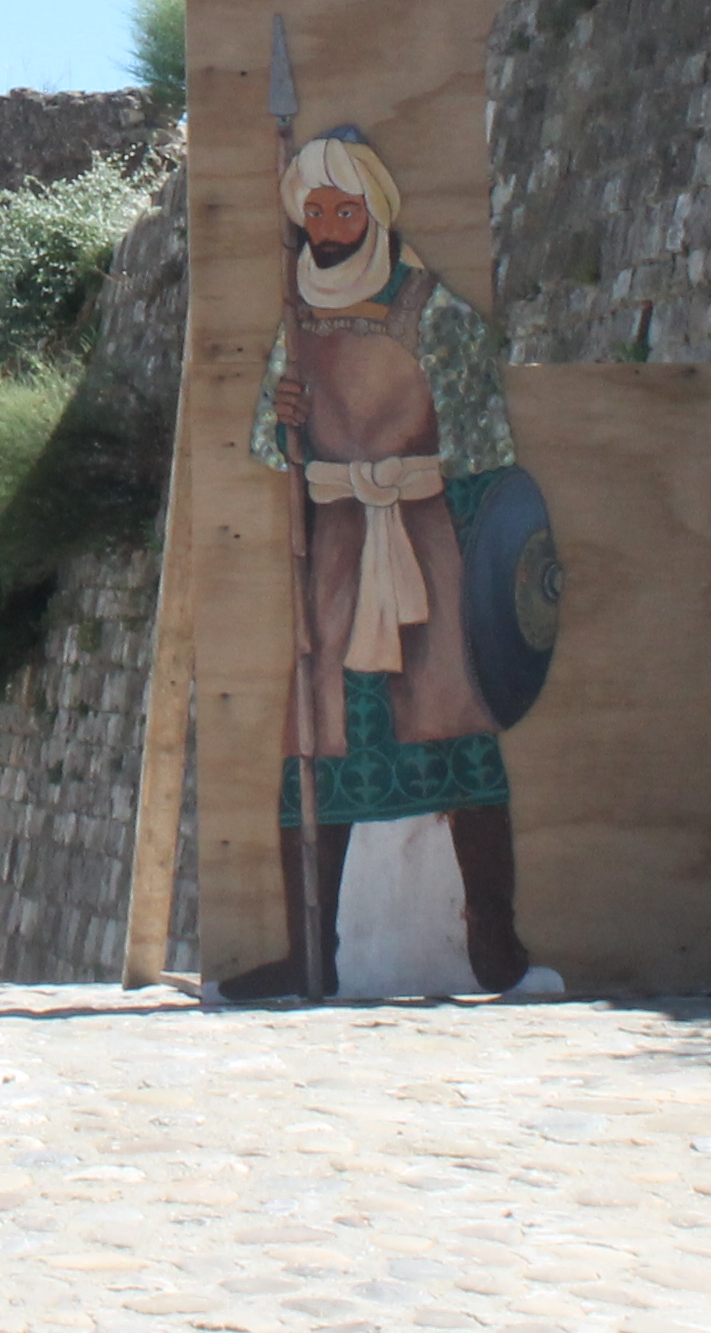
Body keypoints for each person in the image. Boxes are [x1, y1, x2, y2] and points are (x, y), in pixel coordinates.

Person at [215, 122, 536, 1003]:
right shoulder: (297, 320)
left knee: (455, 728)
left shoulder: (436, 312)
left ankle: (494, 947)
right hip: (336, 559)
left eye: (343, 210)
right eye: (314, 212)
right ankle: (309, 957)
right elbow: (270, 446)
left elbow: (483, 447)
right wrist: (286, 419)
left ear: (375, 211)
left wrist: (473, 569)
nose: (327, 228)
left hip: (424, 550)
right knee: (319, 742)